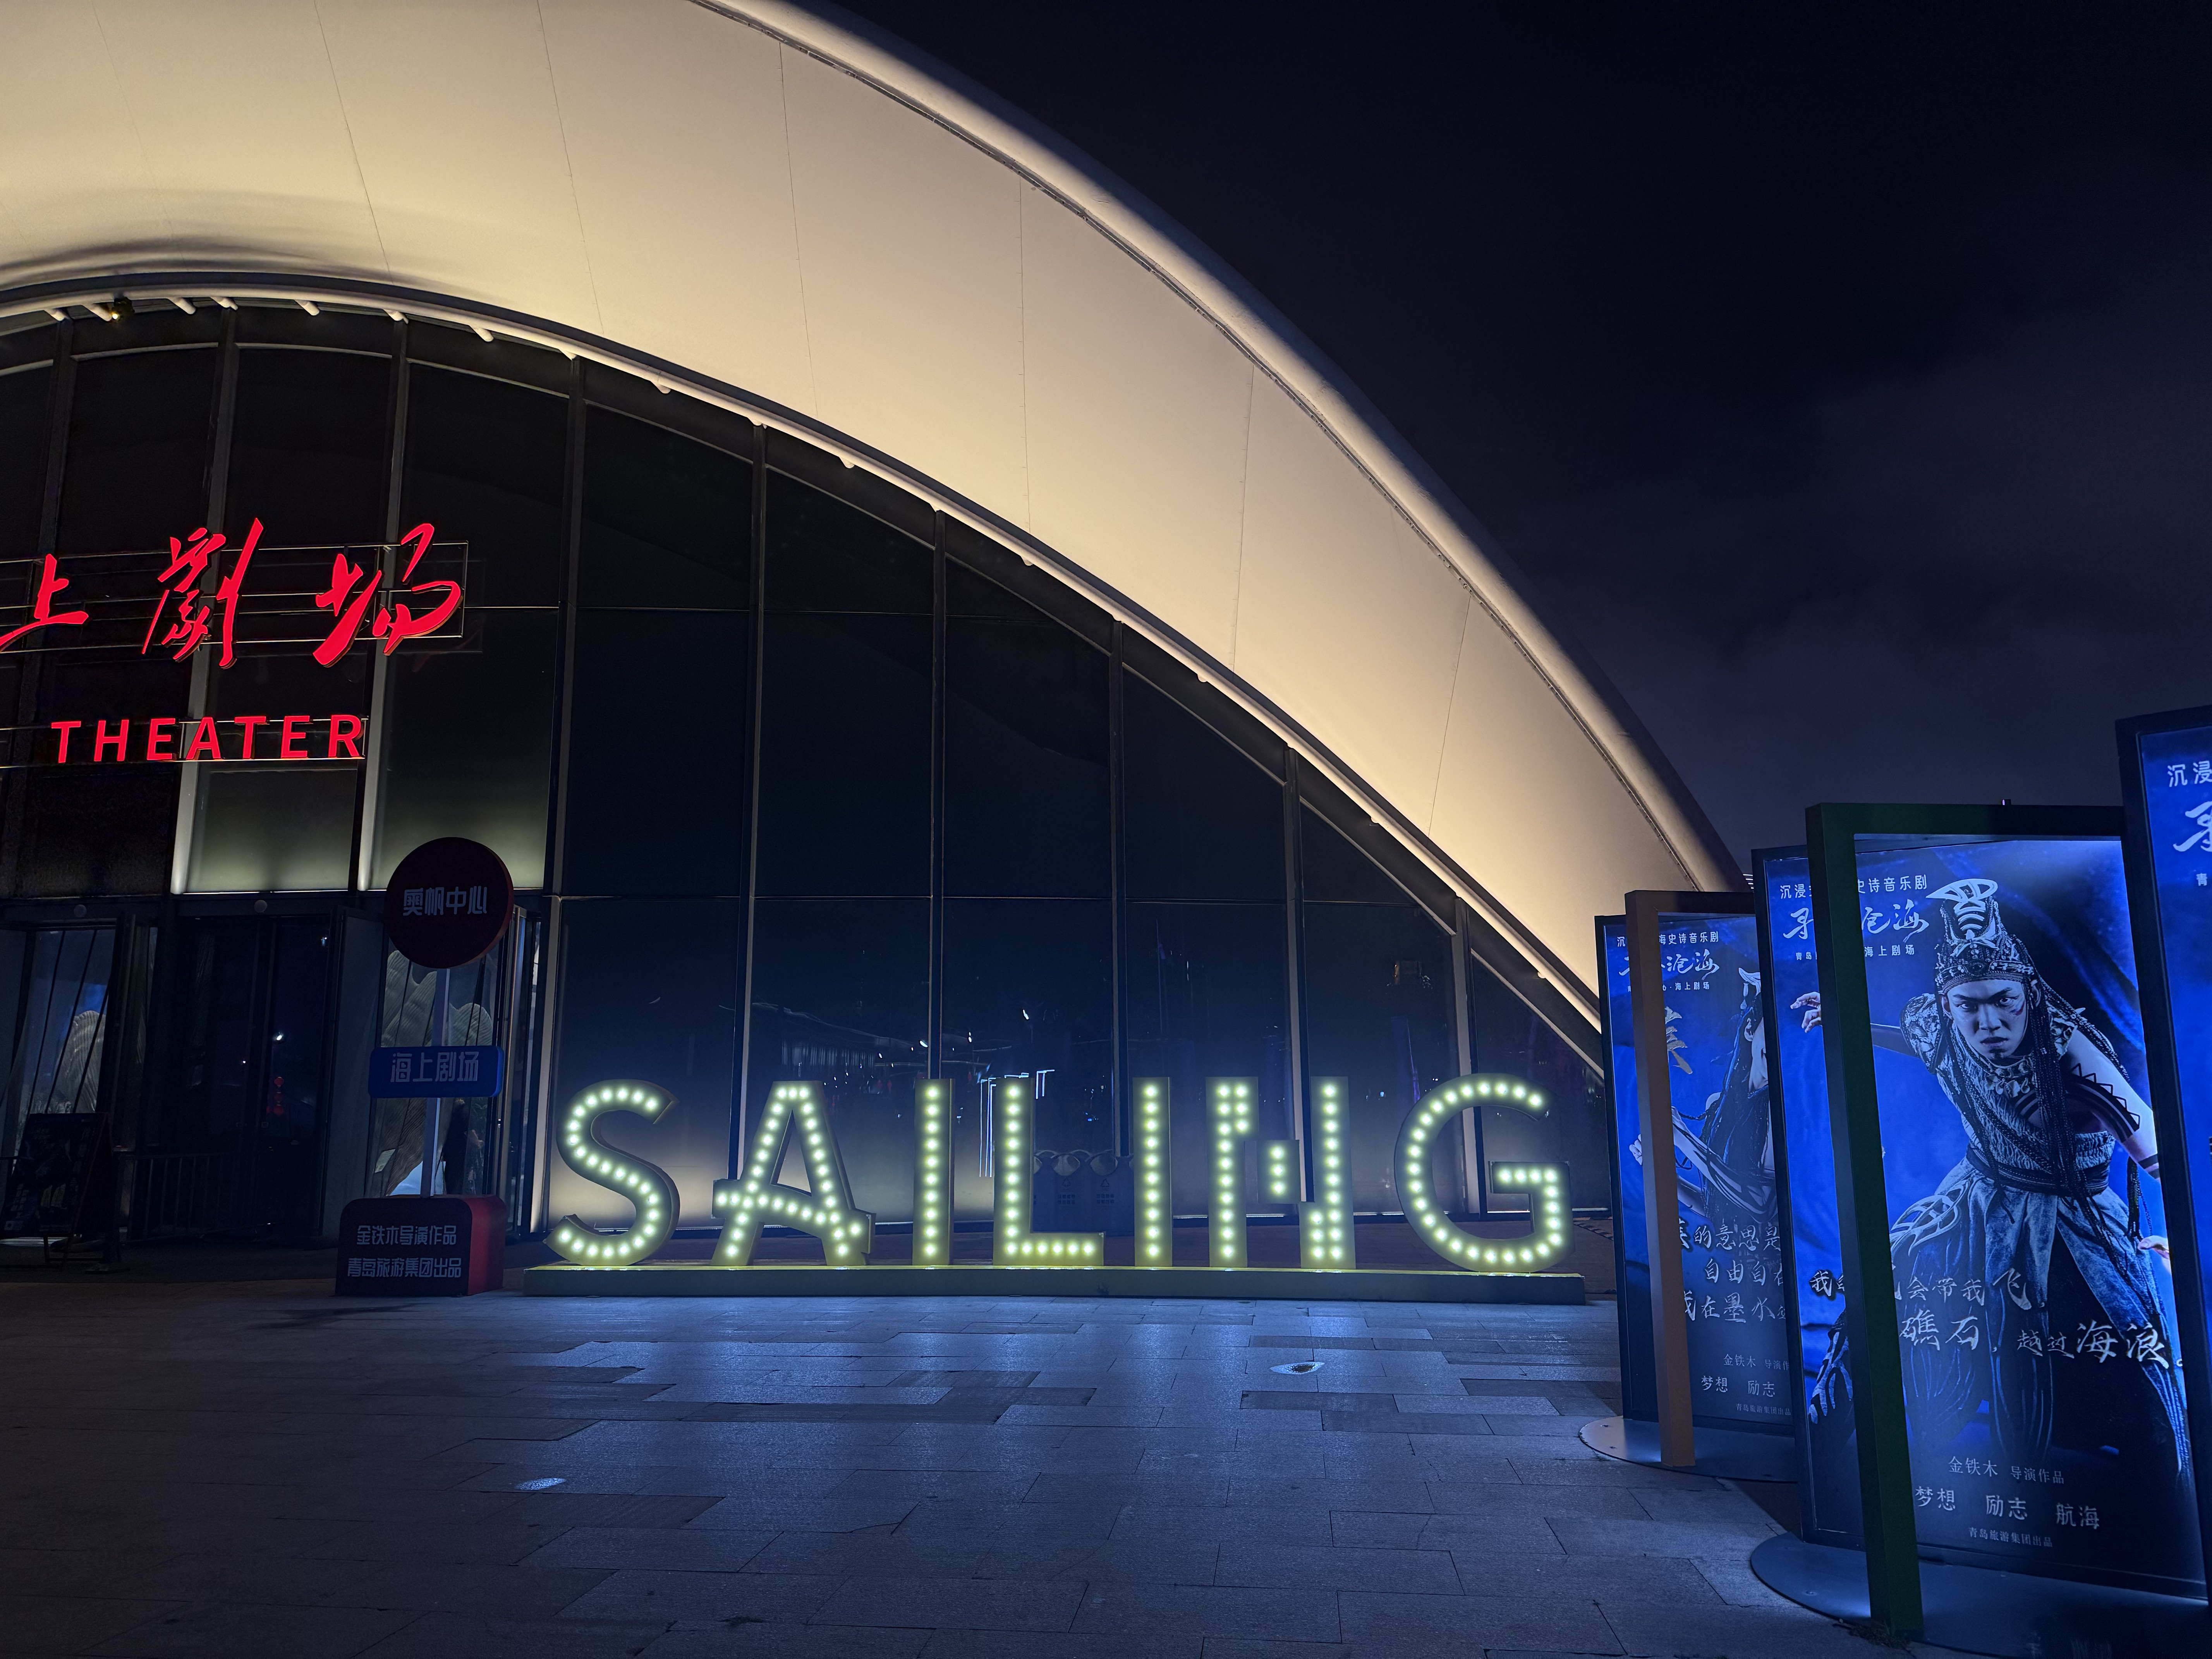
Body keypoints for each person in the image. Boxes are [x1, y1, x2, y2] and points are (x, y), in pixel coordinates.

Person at [1795, 879, 2186, 1486]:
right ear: (1949, 1006)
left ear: (2028, 995)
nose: (1989, 1023)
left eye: (2003, 1001)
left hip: (2072, 1226)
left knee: (2134, 1383)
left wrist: (2182, 1237)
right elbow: (1925, 1044)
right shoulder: (1944, 1025)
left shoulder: (2074, 1057)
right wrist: (1851, 1023)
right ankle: (1826, 1447)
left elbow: (2154, 1144)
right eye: (1969, 1005)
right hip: (1972, 1202)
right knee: (1889, 1291)